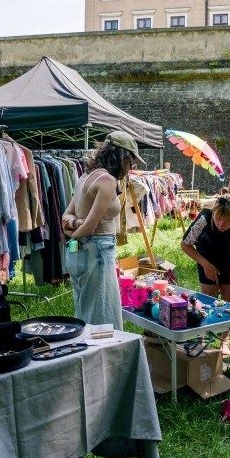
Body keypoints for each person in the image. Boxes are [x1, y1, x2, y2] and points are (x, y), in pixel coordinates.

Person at [63, 131, 144, 330]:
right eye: (131, 161)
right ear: (122, 157)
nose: (131, 167)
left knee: (85, 310)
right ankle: (105, 359)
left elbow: (66, 216)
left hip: (80, 250)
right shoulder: (107, 181)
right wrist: (77, 230)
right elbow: (89, 226)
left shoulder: (86, 176)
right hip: (98, 248)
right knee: (104, 316)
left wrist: (73, 228)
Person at [181, 193, 230, 355]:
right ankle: (202, 336)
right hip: (207, 255)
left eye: (227, 221)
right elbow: (185, 244)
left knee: (228, 294)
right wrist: (205, 264)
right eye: (218, 218)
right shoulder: (205, 216)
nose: (221, 224)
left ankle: (225, 340)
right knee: (207, 296)